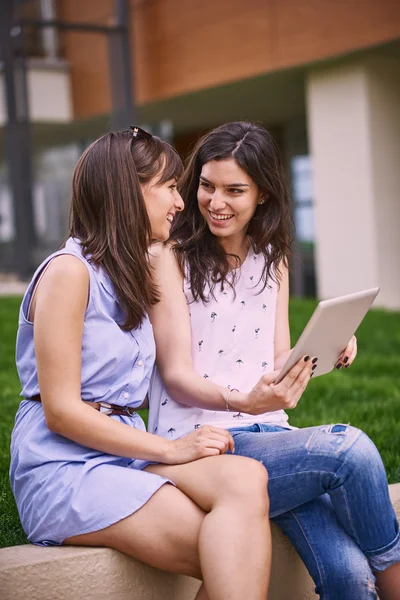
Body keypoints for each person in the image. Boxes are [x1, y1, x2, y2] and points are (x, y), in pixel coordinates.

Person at [9, 126, 272, 600]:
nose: (180, 201)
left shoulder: (128, 273)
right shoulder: (69, 273)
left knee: (246, 477)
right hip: (63, 467)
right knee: (228, 547)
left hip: (122, 458)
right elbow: (62, 411)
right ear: (129, 192)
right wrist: (169, 449)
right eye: (170, 187)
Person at [147, 121, 400, 600]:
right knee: (350, 449)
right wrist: (246, 402)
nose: (215, 201)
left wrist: (332, 345)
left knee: (349, 578)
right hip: (206, 447)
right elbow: (176, 376)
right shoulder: (170, 255)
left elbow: (278, 355)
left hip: (274, 442)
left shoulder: (273, 256)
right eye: (206, 185)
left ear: (263, 194)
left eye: (234, 190)